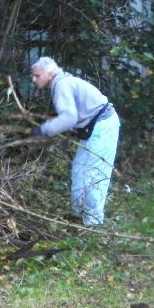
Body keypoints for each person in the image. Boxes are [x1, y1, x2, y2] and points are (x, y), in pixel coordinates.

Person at [30, 56, 121, 226]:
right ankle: (77, 217)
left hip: (103, 126)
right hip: (94, 127)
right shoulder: (62, 83)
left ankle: (92, 224)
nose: (33, 80)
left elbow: (69, 118)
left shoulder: (61, 85)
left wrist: (43, 130)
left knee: (93, 175)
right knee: (79, 170)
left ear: (49, 74)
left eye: (37, 75)